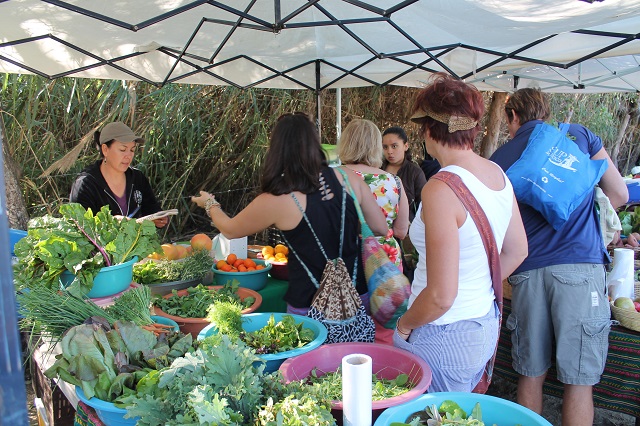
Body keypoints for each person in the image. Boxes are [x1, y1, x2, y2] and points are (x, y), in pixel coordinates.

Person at [490, 88, 628, 426]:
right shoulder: (578, 135)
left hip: (528, 272)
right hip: (581, 266)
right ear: (546, 112)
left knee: (530, 374)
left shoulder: (500, 159)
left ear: (512, 117)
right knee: (579, 383)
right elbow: (620, 194)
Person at [394, 73, 528, 392]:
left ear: (429, 129)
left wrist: (404, 325)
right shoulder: (496, 173)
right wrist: (475, 283)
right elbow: (518, 250)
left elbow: (441, 296)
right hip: (482, 324)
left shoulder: (441, 188)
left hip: (442, 332)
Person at [192, 112, 387, 314]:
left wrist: (210, 203)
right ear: (315, 143)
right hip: (355, 295)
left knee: (313, 346)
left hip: (309, 304)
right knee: (355, 347)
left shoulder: (278, 198)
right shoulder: (349, 179)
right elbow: (380, 227)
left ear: (277, 149)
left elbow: (230, 230)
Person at [339, 119, 410, 269]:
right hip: (386, 263)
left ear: (345, 143)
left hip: (348, 259)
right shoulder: (394, 181)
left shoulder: (336, 175)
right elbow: (401, 231)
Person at [69, 122, 168, 228]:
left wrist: (159, 219)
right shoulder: (85, 184)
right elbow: (79, 227)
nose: (128, 156)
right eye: (122, 149)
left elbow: (151, 207)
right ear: (105, 149)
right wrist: (110, 223)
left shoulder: (138, 178)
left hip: (136, 243)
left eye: (132, 150)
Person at [381, 126, 427, 222]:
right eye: (385, 147)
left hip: (406, 230)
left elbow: (424, 206)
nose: (389, 151)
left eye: (394, 146)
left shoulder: (415, 173)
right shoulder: (377, 169)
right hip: (379, 227)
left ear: (406, 146)